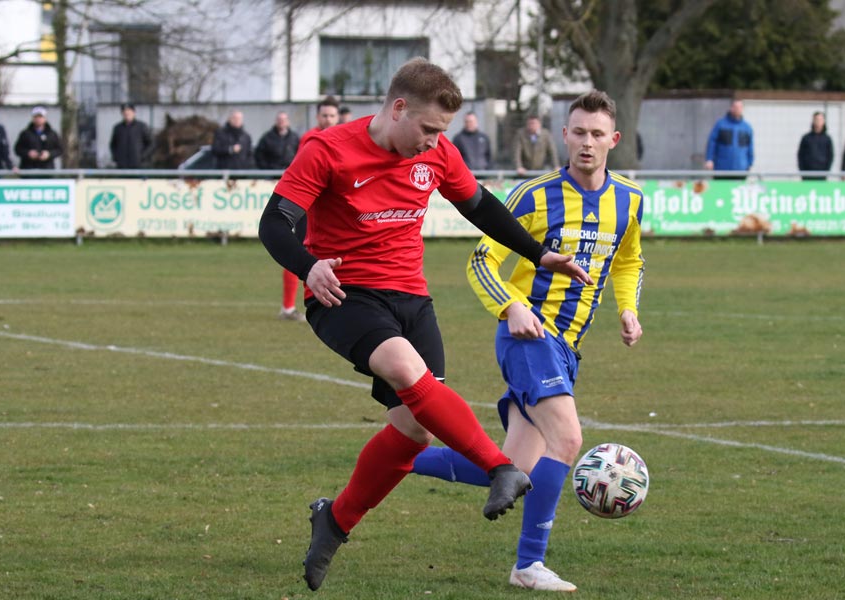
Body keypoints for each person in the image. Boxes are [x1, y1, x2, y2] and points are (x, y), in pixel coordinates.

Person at [259, 57, 593, 591]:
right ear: (398, 108)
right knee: (401, 366)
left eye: (443, 132)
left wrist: (537, 253)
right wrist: (308, 265)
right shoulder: (328, 149)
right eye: (430, 129)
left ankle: (334, 521)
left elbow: (479, 205)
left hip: (412, 299)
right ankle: (499, 467)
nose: (435, 141)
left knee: (413, 431)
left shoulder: (436, 152)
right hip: (344, 292)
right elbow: (274, 223)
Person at [412, 90, 645, 593]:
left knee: (514, 467)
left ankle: (397, 458)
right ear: (564, 135)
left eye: (597, 134)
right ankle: (529, 564)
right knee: (568, 439)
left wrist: (628, 308)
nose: (587, 143)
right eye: (578, 132)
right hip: (529, 335)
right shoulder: (534, 195)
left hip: (568, 348)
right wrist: (510, 306)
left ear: (614, 140)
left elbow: (628, 260)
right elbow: (482, 260)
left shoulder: (630, 200)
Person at [277, 96, 339, 322]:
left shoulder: (341, 137)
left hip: (331, 208)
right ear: (317, 116)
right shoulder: (312, 138)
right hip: (310, 206)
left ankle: (333, 300)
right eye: (324, 115)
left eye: (332, 115)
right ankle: (288, 307)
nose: (328, 119)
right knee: (301, 252)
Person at [704, 99, 753, 178]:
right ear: (731, 108)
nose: (737, 109)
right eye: (735, 107)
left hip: (740, 169)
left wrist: (750, 163)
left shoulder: (747, 127)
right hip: (722, 169)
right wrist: (709, 159)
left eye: (740, 107)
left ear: (742, 109)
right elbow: (712, 143)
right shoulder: (720, 124)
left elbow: (750, 146)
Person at [109, 102, 153, 169]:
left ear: (134, 112)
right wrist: (116, 157)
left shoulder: (141, 127)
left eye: (129, 112)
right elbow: (113, 145)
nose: (127, 114)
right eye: (124, 112)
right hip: (122, 167)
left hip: (139, 167)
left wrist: (143, 156)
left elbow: (151, 143)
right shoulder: (117, 128)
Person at [796, 111, 833, 181]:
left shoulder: (827, 139)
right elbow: (800, 155)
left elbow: (830, 156)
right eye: (816, 119)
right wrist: (802, 171)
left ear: (824, 121)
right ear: (813, 121)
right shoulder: (806, 138)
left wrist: (826, 171)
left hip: (822, 174)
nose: (818, 122)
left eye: (820, 119)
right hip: (807, 174)